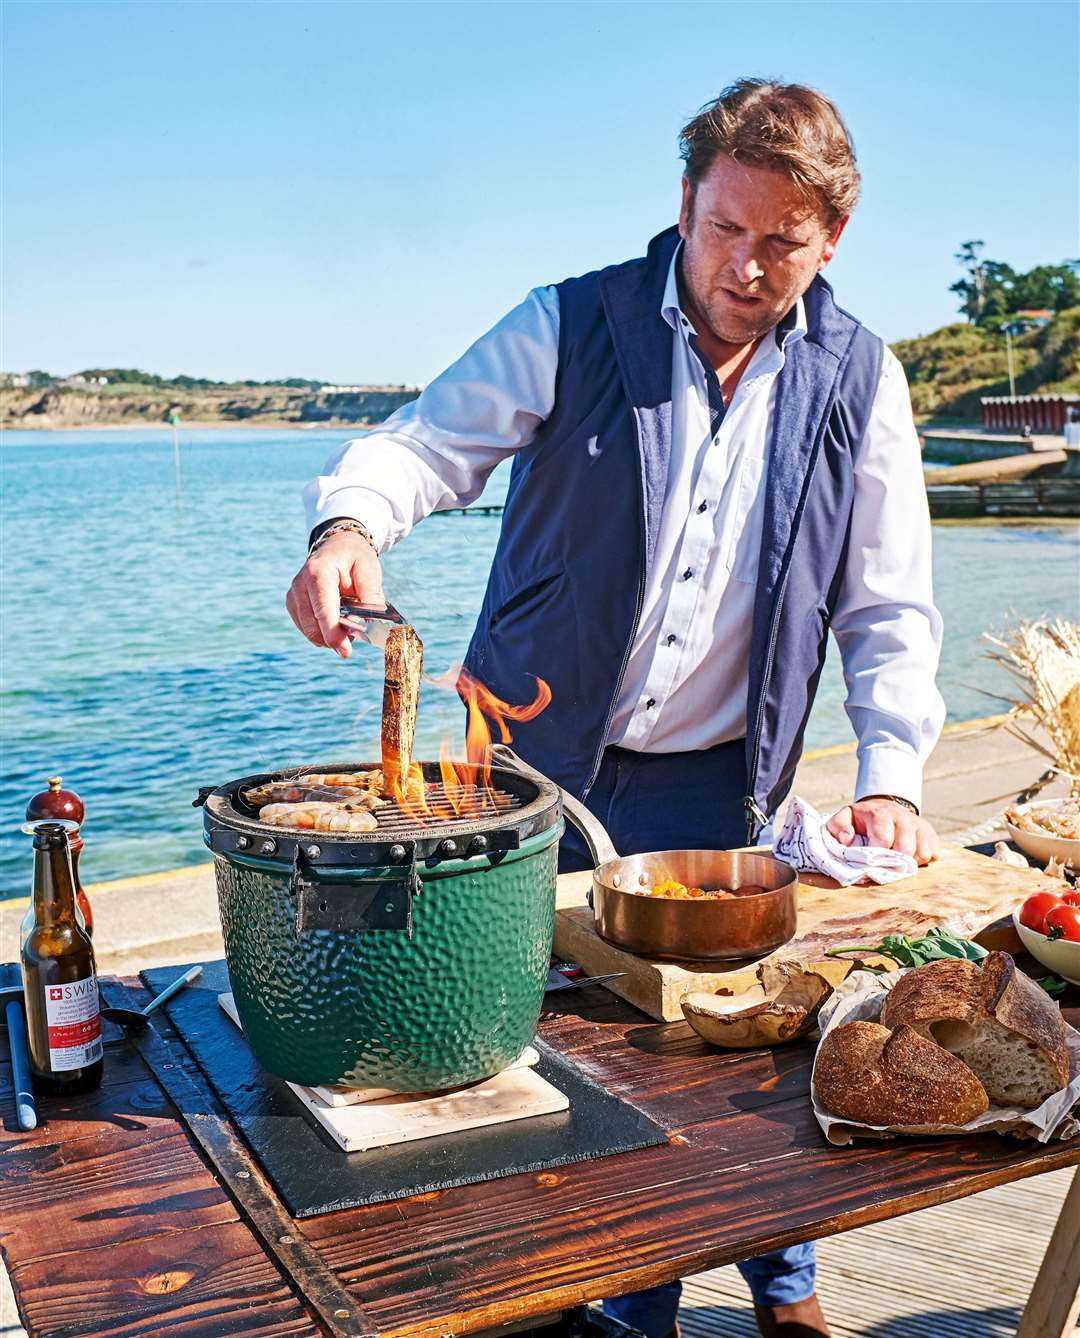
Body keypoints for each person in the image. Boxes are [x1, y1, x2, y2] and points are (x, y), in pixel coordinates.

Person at [289, 79, 945, 1338]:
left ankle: (784, 1288)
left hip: (720, 783)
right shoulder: (569, 320)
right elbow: (427, 446)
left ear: (833, 240)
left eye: (783, 243)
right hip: (533, 769)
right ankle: (622, 1301)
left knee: (745, 1048)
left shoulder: (865, 379)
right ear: (685, 204)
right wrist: (344, 529)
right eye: (724, 229)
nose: (745, 267)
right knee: (570, 1056)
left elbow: (889, 607)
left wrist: (894, 778)